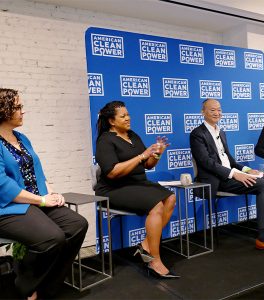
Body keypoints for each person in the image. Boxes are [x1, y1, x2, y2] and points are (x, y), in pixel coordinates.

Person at [0, 88, 88, 300]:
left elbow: (38, 171)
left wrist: (52, 194)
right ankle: (26, 285)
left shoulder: (21, 138)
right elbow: (3, 186)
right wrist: (41, 200)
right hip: (8, 206)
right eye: (18, 107)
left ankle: (48, 285)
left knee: (77, 225)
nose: (23, 111)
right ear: (3, 110)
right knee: (52, 238)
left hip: (34, 201)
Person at [190, 98, 264, 255]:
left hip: (231, 175)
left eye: (219, 109)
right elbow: (206, 162)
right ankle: (263, 239)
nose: (217, 113)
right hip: (217, 180)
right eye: (212, 110)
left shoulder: (221, 132)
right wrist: (235, 174)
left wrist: (246, 170)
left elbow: (229, 159)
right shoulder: (197, 134)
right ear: (202, 112)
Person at [95, 100, 179, 279]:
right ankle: (154, 260)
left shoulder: (133, 135)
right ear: (111, 121)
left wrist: (157, 154)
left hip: (138, 184)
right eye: (123, 116)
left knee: (170, 198)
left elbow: (148, 165)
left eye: (128, 115)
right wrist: (142, 155)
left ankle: (145, 245)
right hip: (114, 188)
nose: (128, 118)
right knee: (156, 206)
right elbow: (112, 172)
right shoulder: (105, 140)